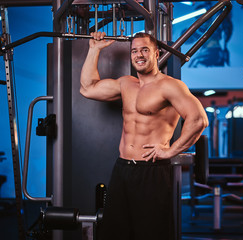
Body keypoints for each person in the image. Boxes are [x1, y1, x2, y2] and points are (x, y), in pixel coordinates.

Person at [80, 31, 208, 240]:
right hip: (122, 169)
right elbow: (88, 88)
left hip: (152, 171)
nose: (139, 55)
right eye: (134, 51)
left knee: (151, 234)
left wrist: (171, 151)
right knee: (114, 232)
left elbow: (198, 120)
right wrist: (94, 49)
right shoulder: (126, 84)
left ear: (156, 54)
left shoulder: (169, 85)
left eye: (145, 50)